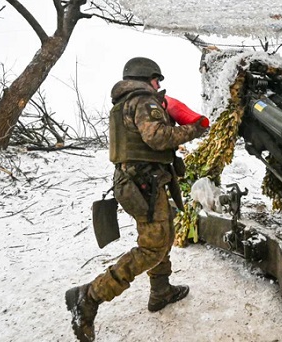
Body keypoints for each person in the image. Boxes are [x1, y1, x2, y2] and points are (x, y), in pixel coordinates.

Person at [65, 57, 207, 342]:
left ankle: (161, 290)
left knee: (163, 234)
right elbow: (157, 137)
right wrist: (195, 128)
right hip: (144, 183)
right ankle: (90, 295)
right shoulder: (143, 100)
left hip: (140, 181)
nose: (159, 85)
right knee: (152, 247)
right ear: (146, 77)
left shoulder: (123, 104)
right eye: (157, 79)